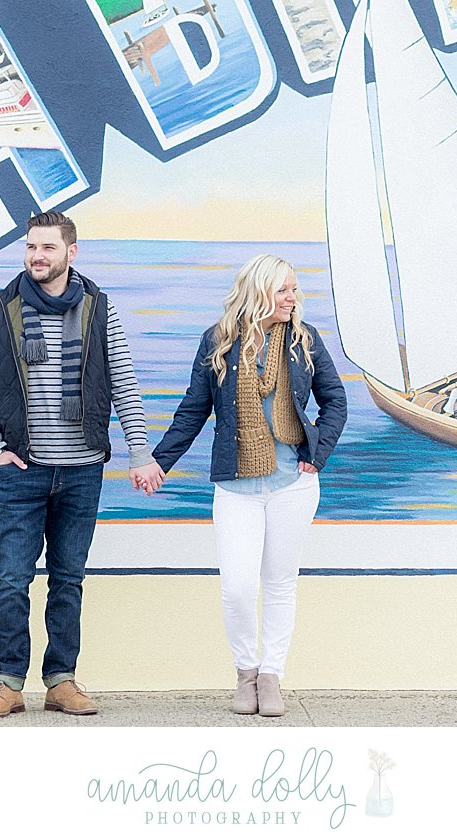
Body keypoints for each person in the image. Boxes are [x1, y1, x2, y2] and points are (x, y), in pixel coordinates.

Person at [135, 255, 347, 718]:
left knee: (279, 583)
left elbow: (336, 401)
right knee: (236, 586)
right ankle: (245, 671)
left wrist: (318, 455)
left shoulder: (304, 342)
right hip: (237, 487)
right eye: (284, 289)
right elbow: (194, 410)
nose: (293, 297)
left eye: (295, 289)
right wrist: (159, 462)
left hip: (294, 484)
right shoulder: (218, 342)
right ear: (259, 291)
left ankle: (271, 675)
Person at [0, 211, 151, 719]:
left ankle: (61, 679)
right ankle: (8, 682)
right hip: (21, 470)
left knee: (68, 579)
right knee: (12, 579)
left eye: (48, 247)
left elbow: (123, 384)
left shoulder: (100, 309)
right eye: (31, 247)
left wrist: (139, 453)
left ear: (72, 252)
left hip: (82, 469)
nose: (37, 257)